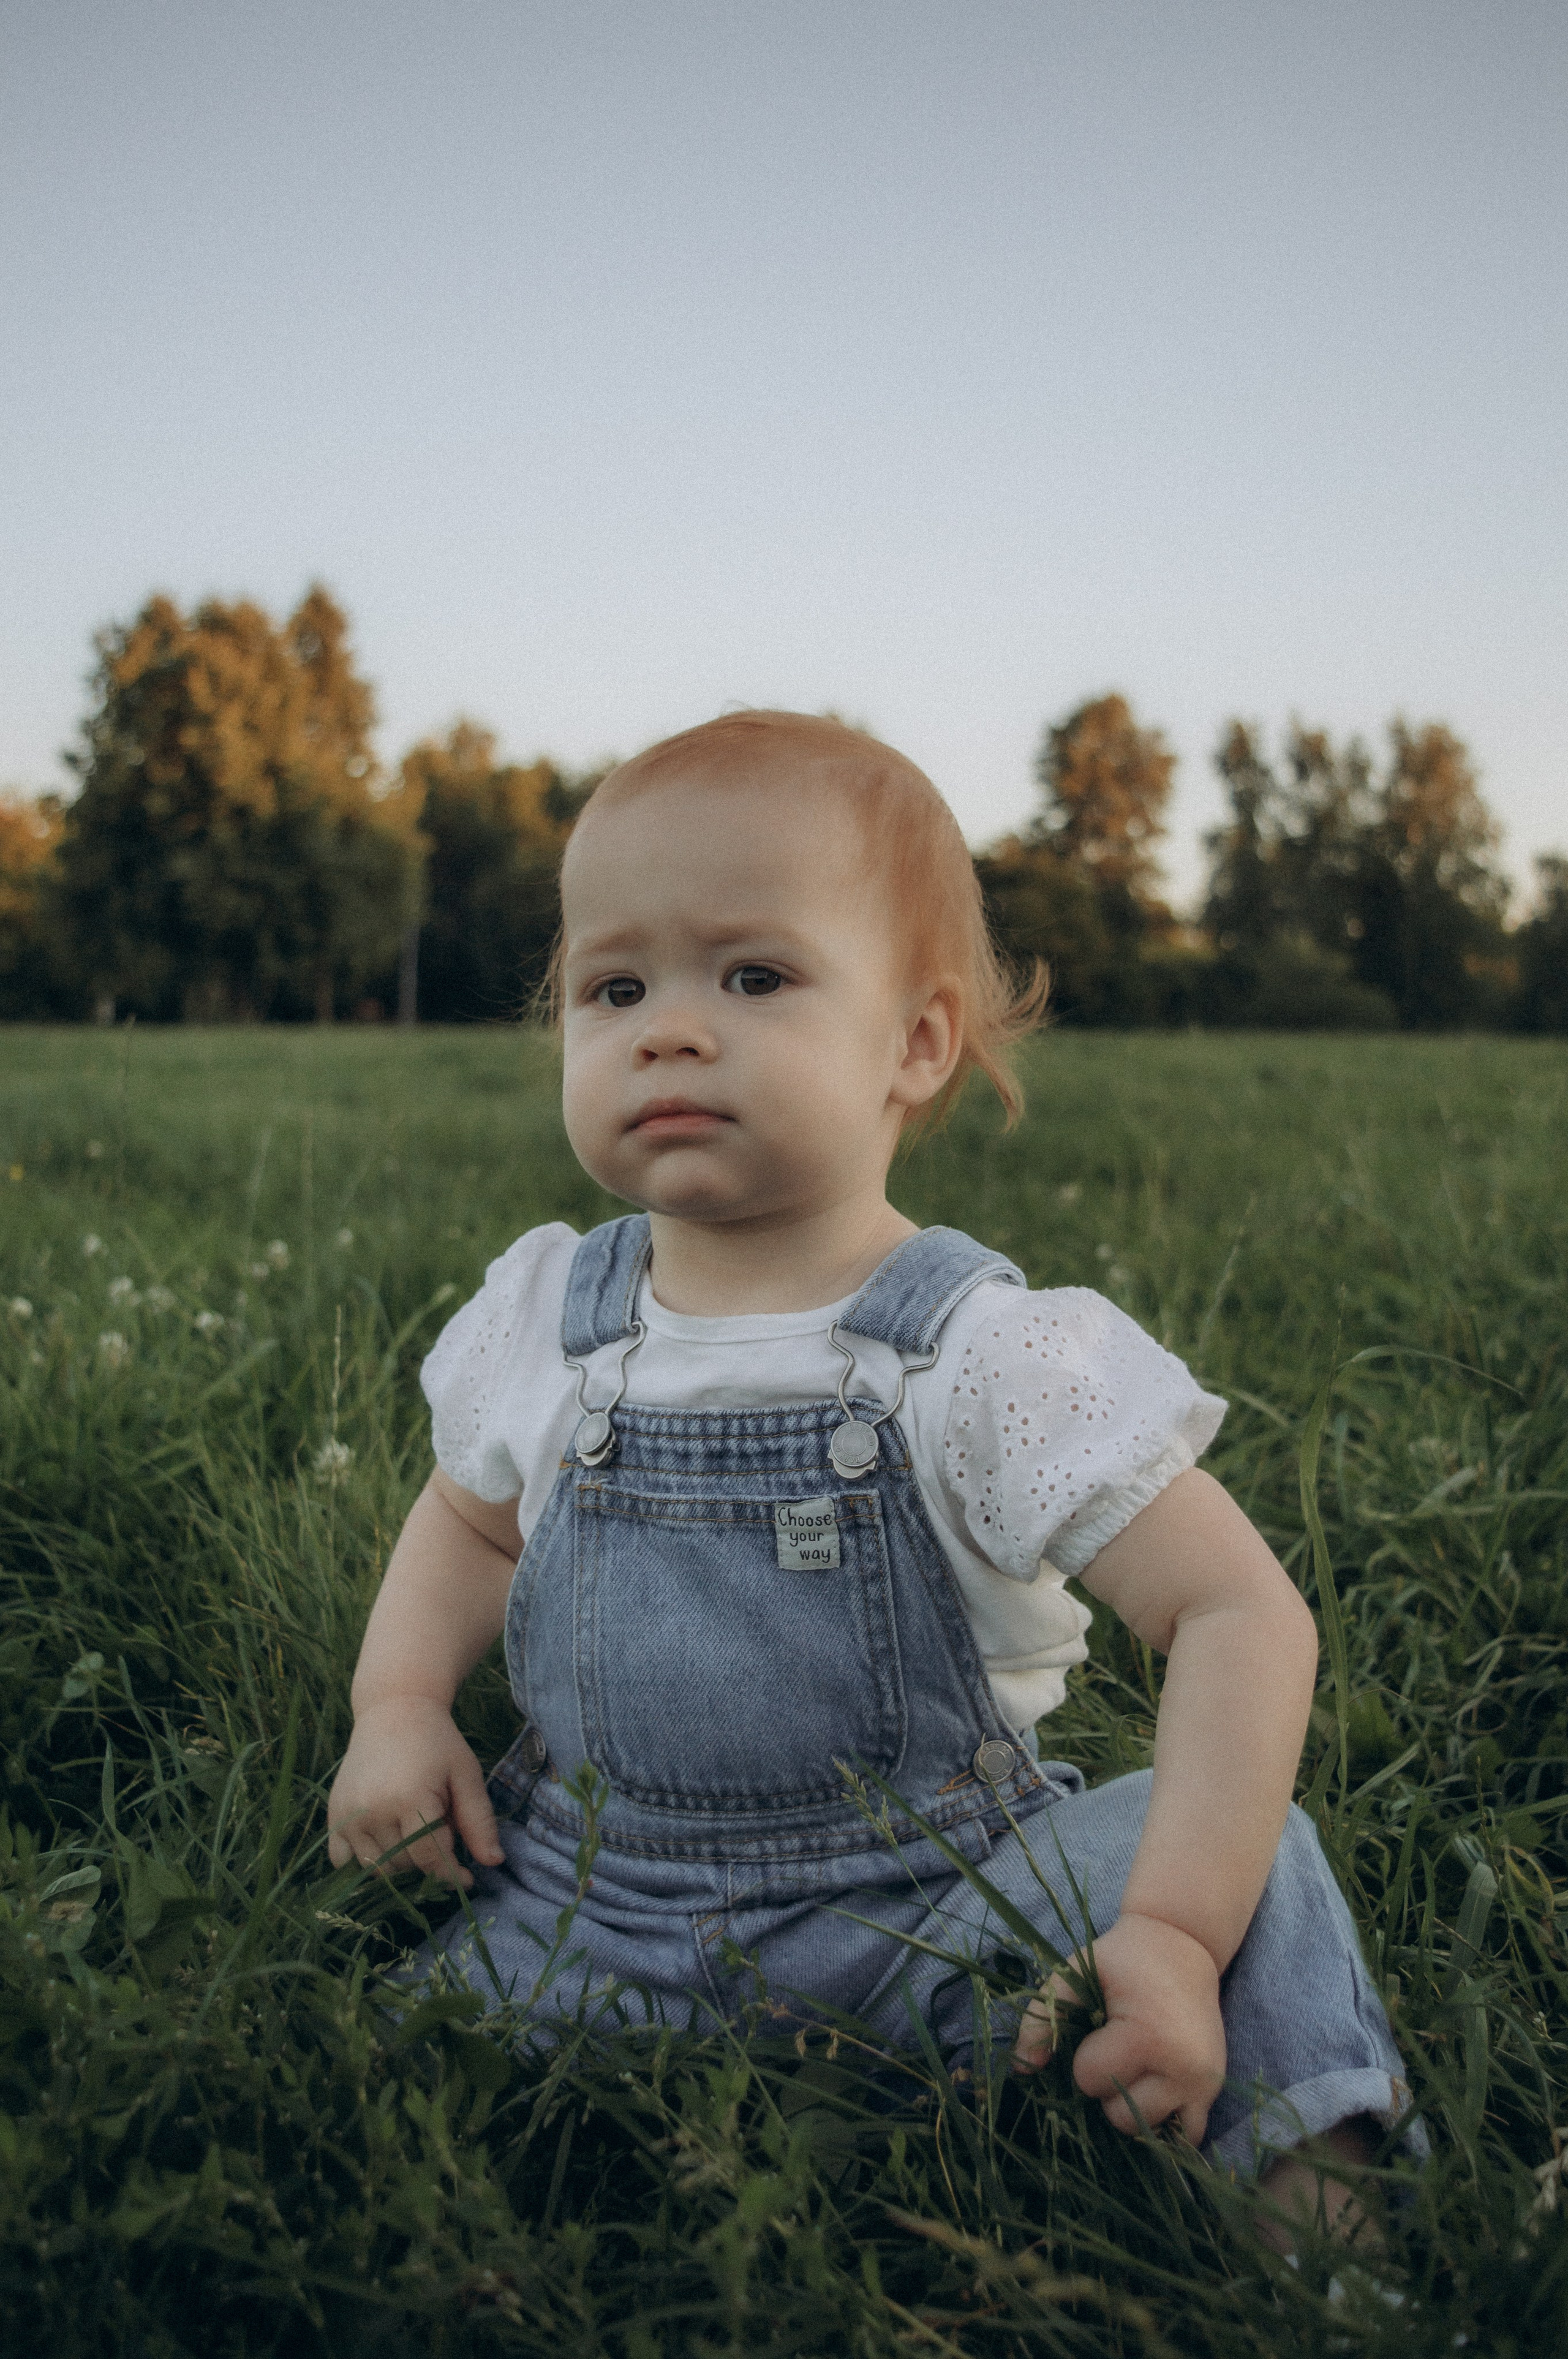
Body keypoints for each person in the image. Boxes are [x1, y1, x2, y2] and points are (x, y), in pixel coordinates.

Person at [326, 710, 1420, 2224]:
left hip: (930, 1917)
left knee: (1263, 1863)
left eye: (753, 976)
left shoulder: (978, 1354)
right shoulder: (552, 1317)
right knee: (357, 2090)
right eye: (613, 985)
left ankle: (1317, 2221)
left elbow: (1241, 1617)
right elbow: (468, 1520)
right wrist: (397, 1707)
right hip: (589, 1907)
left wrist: (1167, 1925)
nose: (668, 1027)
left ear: (917, 1041)